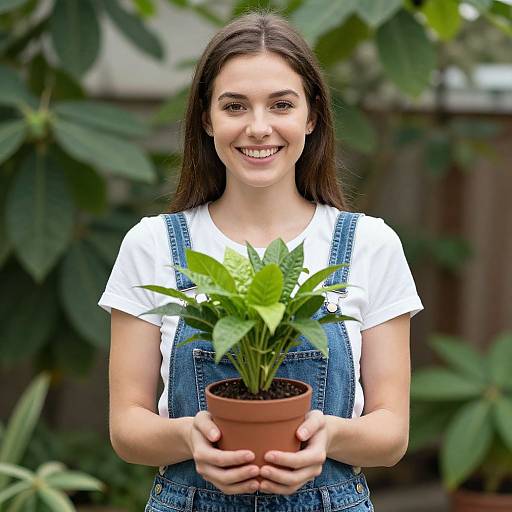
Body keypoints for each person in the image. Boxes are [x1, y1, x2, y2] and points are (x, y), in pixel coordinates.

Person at [98, 9, 424, 512]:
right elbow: (126, 428)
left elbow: (391, 433)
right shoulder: (153, 245)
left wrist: (329, 437)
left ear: (310, 116)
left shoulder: (368, 246)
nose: (258, 127)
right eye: (234, 106)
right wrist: (190, 438)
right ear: (206, 118)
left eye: (280, 105)